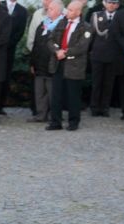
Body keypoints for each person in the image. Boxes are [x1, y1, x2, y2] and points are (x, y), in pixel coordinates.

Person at [46, 0, 93, 131]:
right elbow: (50, 39)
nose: (67, 12)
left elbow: (82, 47)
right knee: (56, 95)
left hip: (74, 66)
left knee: (73, 95)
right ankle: (55, 122)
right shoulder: (62, 22)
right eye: (67, 9)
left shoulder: (86, 27)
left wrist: (65, 53)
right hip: (58, 64)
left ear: (78, 12)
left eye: (71, 10)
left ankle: (73, 122)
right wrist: (57, 51)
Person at [28, 0, 63, 123]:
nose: (48, 10)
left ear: (59, 11)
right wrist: (32, 63)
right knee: (40, 92)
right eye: (48, 9)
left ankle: (54, 115)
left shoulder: (62, 25)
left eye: (51, 9)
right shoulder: (43, 24)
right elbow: (36, 45)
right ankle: (40, 115)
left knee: (53, 92)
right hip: (39, 64)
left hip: (52, 64)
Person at [89, 0, 121, 117]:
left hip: (113, 55)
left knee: (109, 83)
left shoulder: (120, 16)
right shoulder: (96, 16)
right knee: (96, 82)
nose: (111, 5)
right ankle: (94, 107)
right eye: (109, 2)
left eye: (114, 3)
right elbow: (91, 35)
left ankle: (104, 107)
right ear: (104, 3)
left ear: (117, 5)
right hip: (97, 53)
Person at [0, 0, 28, 113]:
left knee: (5, 77)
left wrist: (8, 44)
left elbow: (20, 32)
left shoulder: (22, 11)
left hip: (9, 50)